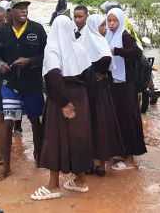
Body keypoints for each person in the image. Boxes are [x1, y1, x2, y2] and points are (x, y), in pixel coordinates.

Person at [31, 16, 94, 201]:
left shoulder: (52, 49)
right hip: (80, 99)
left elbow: (53, 77)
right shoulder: (80, 47)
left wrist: (65, 103)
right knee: (78, 138)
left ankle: (52, 186)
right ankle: (80, 181)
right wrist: (80, 102)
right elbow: (89, 78)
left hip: (61, 101)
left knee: (54, 139)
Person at [0, 0, 47, 180]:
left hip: (32, 84)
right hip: (10, 85)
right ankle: (6, 167)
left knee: (35, 121)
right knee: (8, 123)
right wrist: (0, 63)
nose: (24, 11)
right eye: (19, 8)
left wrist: (30, 61)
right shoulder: (2, 31)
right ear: (12, 13)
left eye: (26, 8)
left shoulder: (38, 30)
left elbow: (46, 55)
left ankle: (39, 158)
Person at [79, 12, 125, 176]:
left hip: (95, 92)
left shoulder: (92, 43)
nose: (105, 29)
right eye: (103, 25)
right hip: (97, 92)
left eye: (105, 25)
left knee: (97, 125)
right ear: (93, 26)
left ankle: (99, 164)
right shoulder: (94, 43)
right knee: (97, 125)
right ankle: (96, 164)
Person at [106, 8, 147, 169]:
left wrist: (117, 51)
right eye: (109, 21)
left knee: (128, 119)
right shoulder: (108, 36)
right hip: (114, 84)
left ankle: (130, 158)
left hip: (126, 85)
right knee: (116, 119)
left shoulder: (124, 36)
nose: (111, 24)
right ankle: (121, 151)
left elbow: (137, 51)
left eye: (115, 21)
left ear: (121, 20)